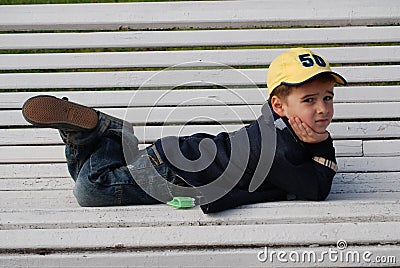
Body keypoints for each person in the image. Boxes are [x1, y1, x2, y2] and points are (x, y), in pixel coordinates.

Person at [22, 47, 346, 214]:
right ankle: (104, 133)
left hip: (180, 160)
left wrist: (316, 150)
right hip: (173, 172)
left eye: (327, 98)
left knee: (88, 175)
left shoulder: (281, 129)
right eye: (309, 100)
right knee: (90, 191)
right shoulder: (277, 147)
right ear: (279, 105)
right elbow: (316, 189)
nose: (322, 109)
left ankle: (99, 137)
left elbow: (313, 179)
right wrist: (322, 146)